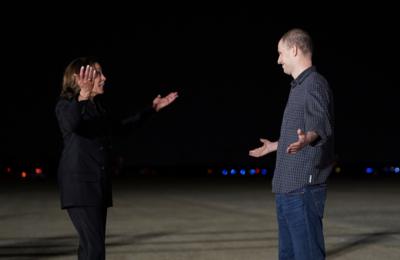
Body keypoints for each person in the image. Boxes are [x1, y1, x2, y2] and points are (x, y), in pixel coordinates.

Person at [55, 57, 178, 260]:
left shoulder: (98, 107)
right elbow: (71, 124)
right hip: (80, 186)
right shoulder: (66, 105)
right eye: (98, 74)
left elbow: (121, 128)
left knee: (90, 249)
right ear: (80, 78)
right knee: (94, 250)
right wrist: (83, 95)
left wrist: (152, 109)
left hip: (96, 186)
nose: (104, 78)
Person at [249, 28, 334, 260]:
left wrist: (309, 137)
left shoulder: (314, 84)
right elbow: (300, 133)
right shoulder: (298, 87)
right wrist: (274, 146)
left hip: (302, 189)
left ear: (294, 50)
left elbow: (319, 124)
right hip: (287, 187)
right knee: (288, 256)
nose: (278, 60)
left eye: (280, 53)